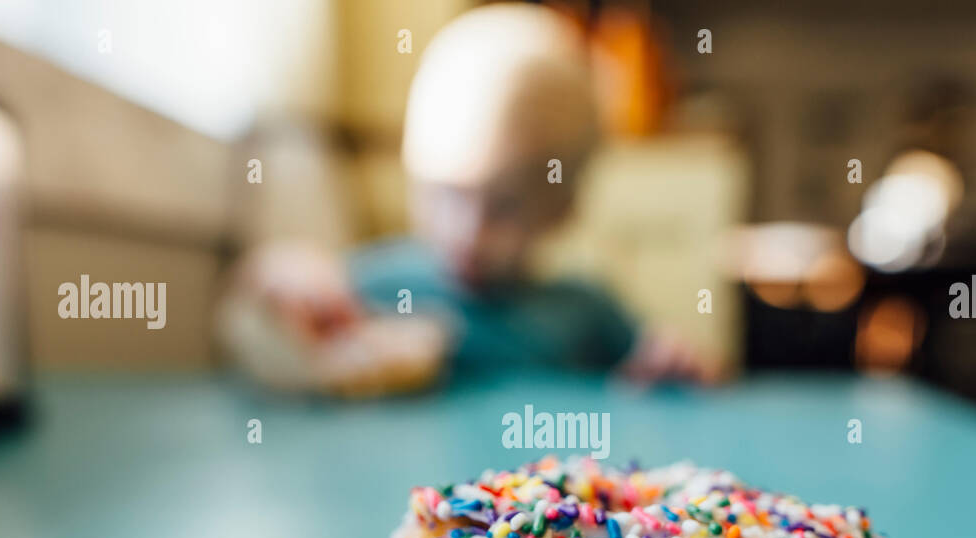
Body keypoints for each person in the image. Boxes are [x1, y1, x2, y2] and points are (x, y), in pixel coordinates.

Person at [223, 3, 720, 392]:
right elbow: (262, 311)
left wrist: (673, 361)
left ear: (562, 207)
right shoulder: (382, 285)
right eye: (447, 196)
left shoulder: (586, 310)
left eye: (504, 207)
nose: (470, 233)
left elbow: (668, 365)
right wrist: (281, 274)